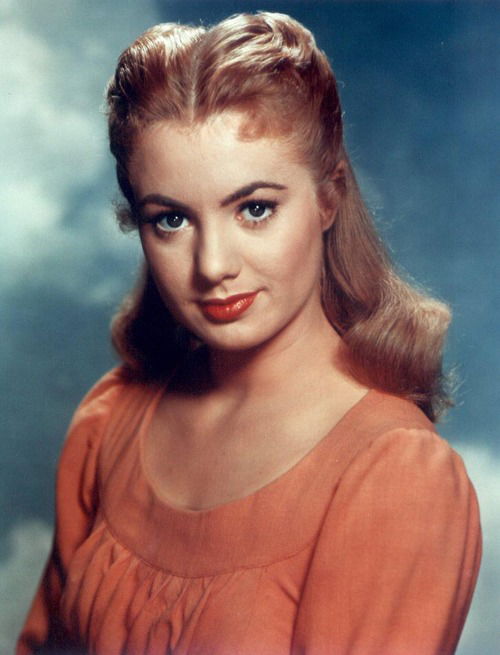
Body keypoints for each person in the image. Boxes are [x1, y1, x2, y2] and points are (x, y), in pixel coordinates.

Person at [18, 12, 481, 655]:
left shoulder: (395, 475)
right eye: (171, 220)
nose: (213, 265)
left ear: (329, 197)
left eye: (254, 209)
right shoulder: (109, 418)